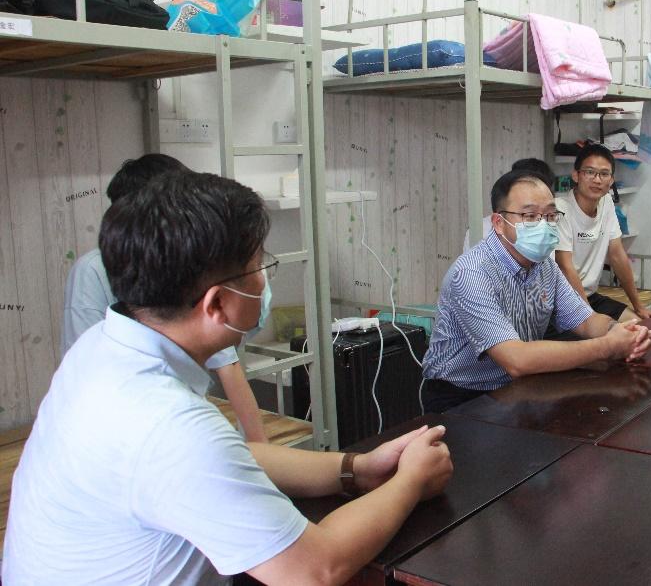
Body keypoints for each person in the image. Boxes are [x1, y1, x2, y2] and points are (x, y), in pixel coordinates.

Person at [3, 171, 453, 585]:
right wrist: (410, 481)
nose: (265, 282)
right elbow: (314, 569)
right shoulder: (169, 425)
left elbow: (234, 459)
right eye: (260, 267)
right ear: (217, 303)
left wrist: (355, 469)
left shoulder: (101, 348)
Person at [61, 154, 268, 443]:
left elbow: (226, 363)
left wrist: (257, 442)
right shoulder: (93, 275)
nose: (262, 280)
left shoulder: (184, 270)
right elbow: (87, 370)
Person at [422, 169, 651, 413]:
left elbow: (586, 321)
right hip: (461, 396)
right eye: (530, 216)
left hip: (517, 386)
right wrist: (607, 346)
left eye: (550, 215)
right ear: (498, 223)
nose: (543, 225)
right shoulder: (471, 273)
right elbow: (516, 359)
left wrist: (621, 332)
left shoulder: (544, 265)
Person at [554, 143, 651, 321]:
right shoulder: (560, 209)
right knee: (611, 332)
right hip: (564, 301)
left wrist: (638, 306)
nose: (597, 180)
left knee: (637, 325)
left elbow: (617, 255)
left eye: (604, 174)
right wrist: (590, 318)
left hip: (591, 296)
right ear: (576, 175)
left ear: (611, 180)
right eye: (590, 172)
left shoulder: (606, 202)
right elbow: (565, 267)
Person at [462, 158, 557, 252]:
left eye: (551, 215)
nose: (542, 223)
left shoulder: (552, 228)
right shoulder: (480, 232)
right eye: (530, 215)